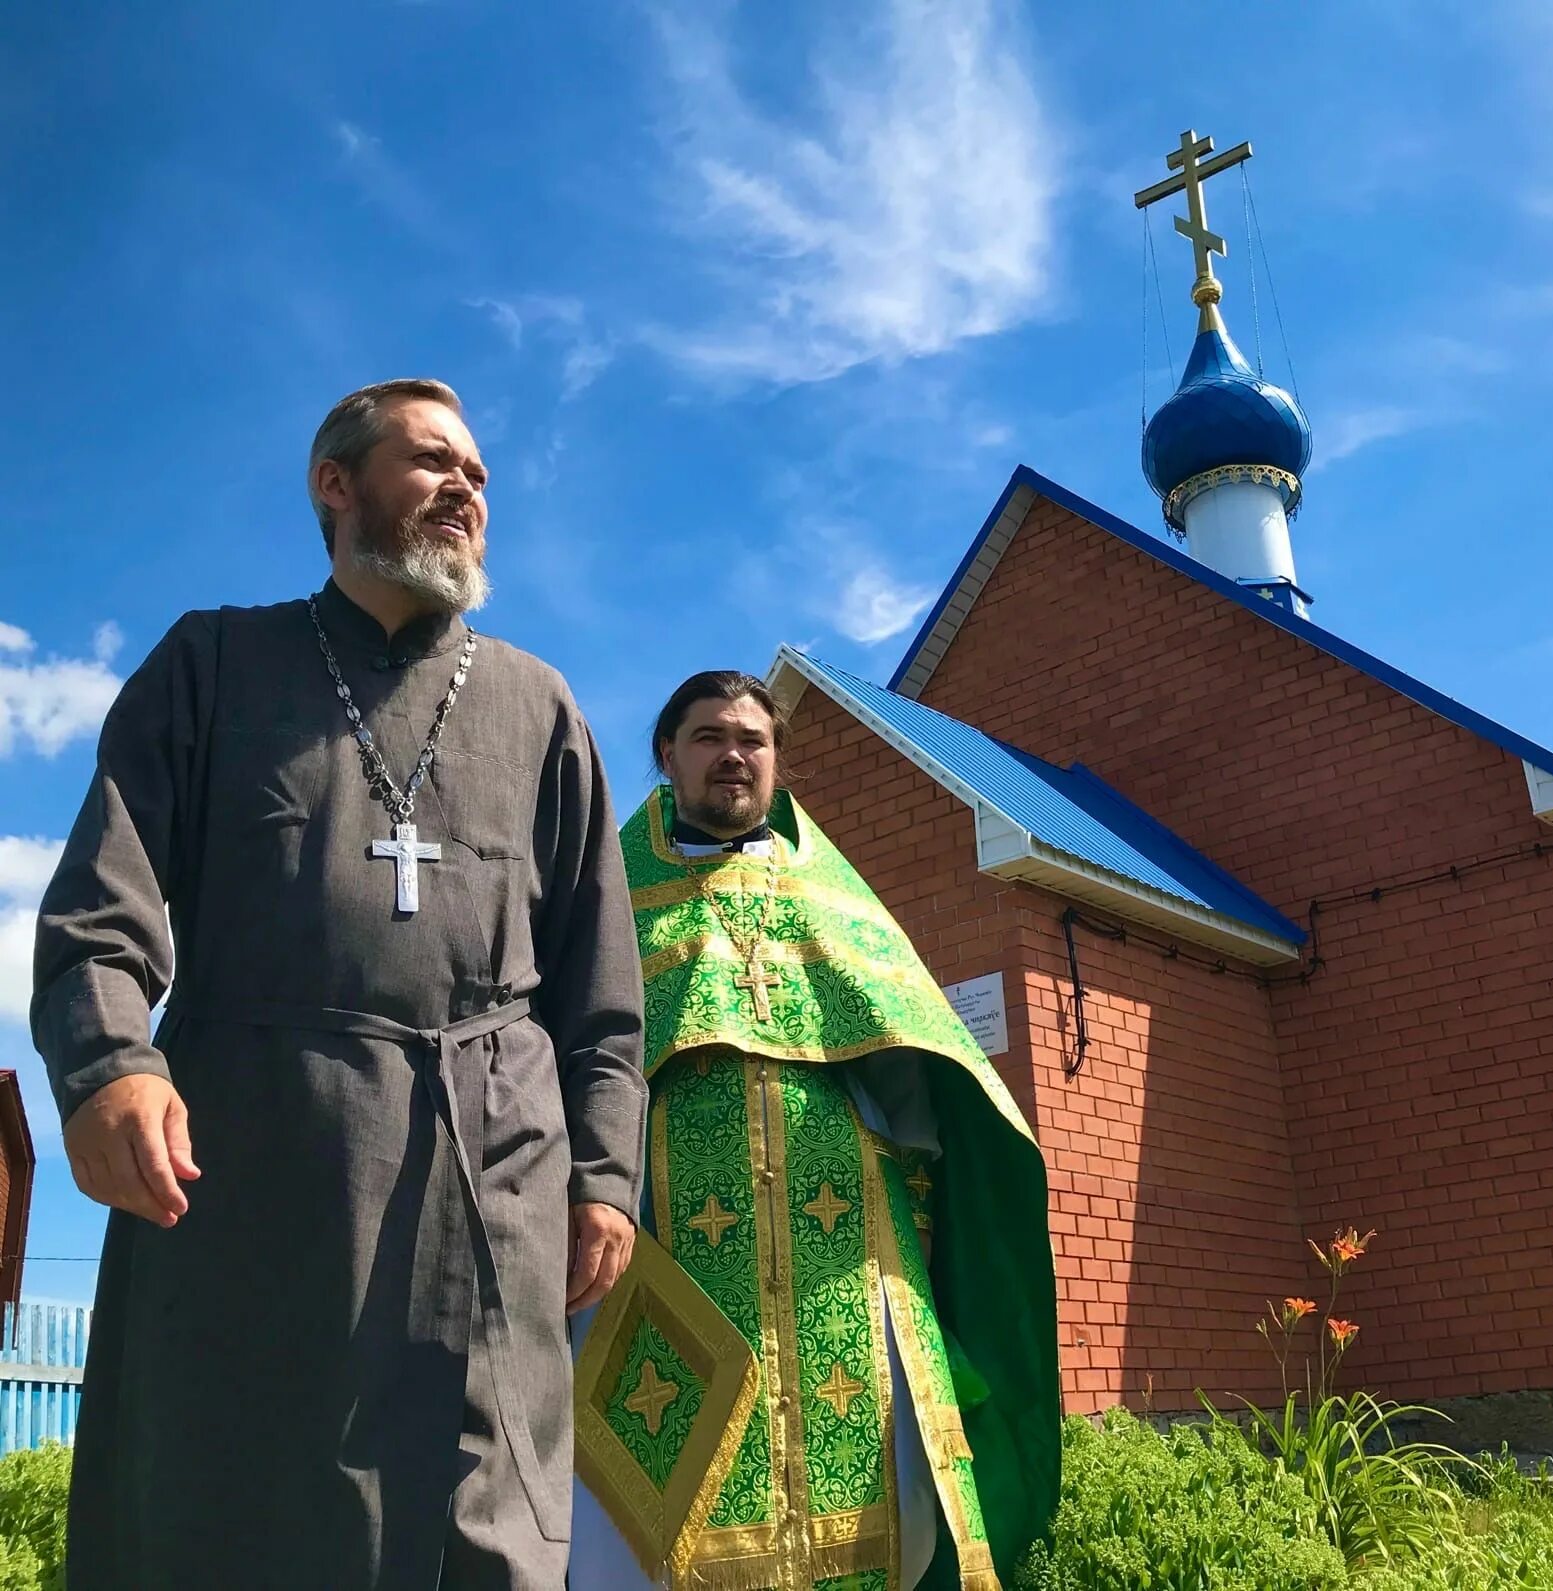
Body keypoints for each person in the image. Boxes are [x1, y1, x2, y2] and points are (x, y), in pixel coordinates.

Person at [33, 378, 648, 1589]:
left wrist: (606, 1176)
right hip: (255, 1164)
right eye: (433, 462)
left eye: (479, 473)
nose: (468, 488)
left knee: (481, 1519)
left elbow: (600, 990)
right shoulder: (213, 662)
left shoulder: (539, 705)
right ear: (337, 483)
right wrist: (110, 1063)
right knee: (229, 1505)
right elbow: (103, 906)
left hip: (494, 1174)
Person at [569, 671, 1058, 1591]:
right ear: (666, 755)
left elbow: (916, 1070)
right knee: (642, 1510)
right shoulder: (610, 894)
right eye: (709, 736)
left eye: (753, 739)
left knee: (885, 1486)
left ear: (778, 764)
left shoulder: (833, 895)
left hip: (844, 1247)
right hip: (663, 1244)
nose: (733, 754)